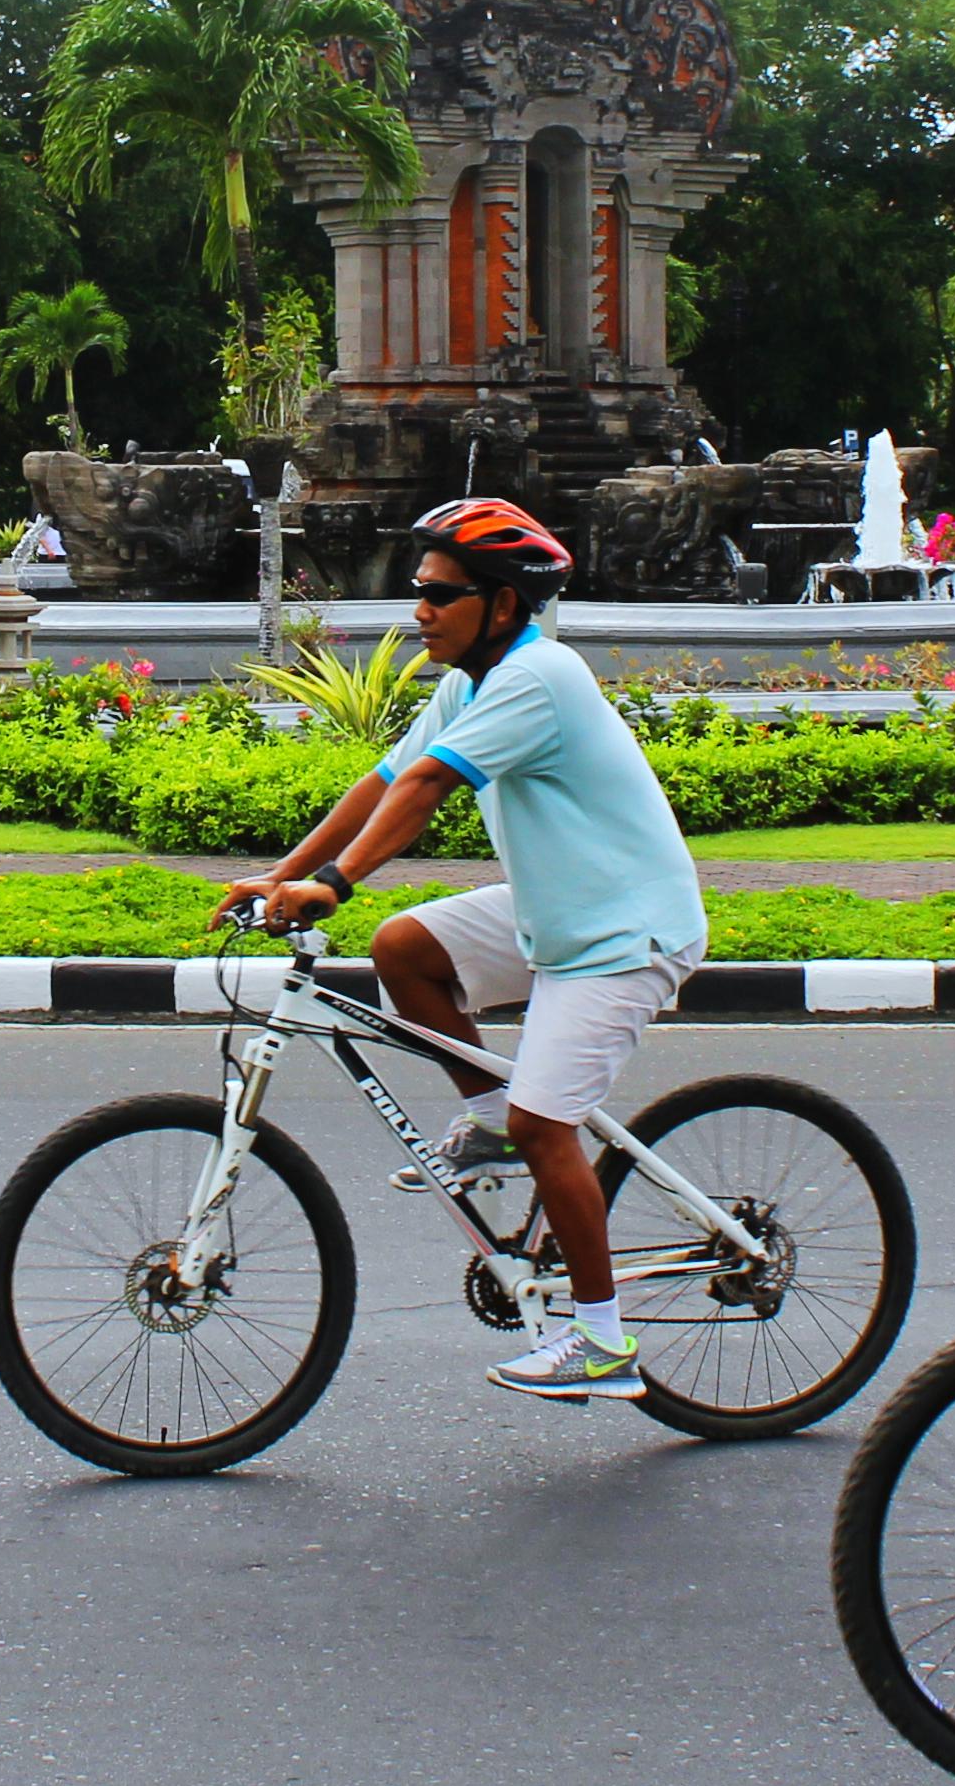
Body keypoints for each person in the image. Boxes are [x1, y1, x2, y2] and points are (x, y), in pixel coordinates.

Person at [218, 495, 711, 1404]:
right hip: (555, 914)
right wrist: (281, 874)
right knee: (406, 947)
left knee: (545, 1124)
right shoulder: (467, 681)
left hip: (625, 936)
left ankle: (601, 1342)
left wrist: (337, 883)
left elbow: (431, 787)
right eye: (420, 591)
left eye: (441, 595)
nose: (420, 612)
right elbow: (382, 781)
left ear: (505, 605)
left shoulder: (540, 677)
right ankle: (489, 1121)